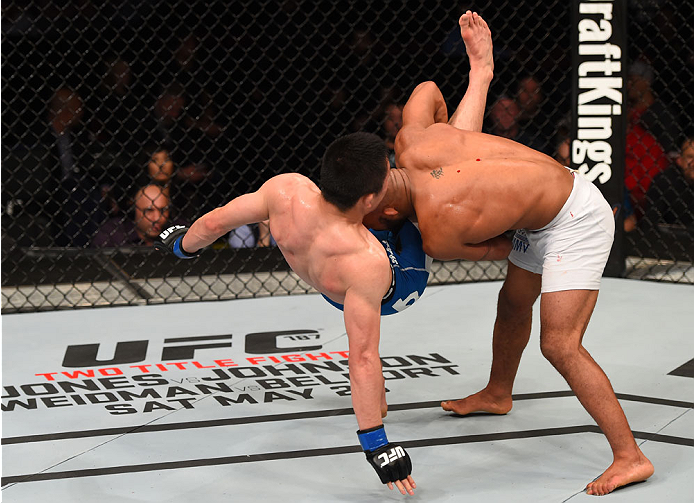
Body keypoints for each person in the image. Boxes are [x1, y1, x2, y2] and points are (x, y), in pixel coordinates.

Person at [154, 10, 495, 495]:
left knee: (425, 166)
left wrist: (180, 246)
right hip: (396, 286)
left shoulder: (286, 190)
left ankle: (375, 405)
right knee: (439, 182)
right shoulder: (368, 260)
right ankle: (481, 76)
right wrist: (376, 444)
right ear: (370, 200)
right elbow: (362, 356)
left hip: (329, 282)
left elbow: (212, 223)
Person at [362, 13, 654, 496]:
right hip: (537, 210)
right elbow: (429, 90)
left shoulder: (436, 231)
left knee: (559, 343)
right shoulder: (414, 140)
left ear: (391, 210)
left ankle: (630, 455)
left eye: (372, 222)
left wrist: (485, 211)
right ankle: (499, 393)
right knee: (513, 304)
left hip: (575, 218)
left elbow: (497, 245)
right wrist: (471, 92)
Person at [93, 183, 176, 247]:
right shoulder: (111, 234)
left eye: (163, 210)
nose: (157, 218)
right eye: (149, 210)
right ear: (135, 210)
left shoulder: (178, 231)